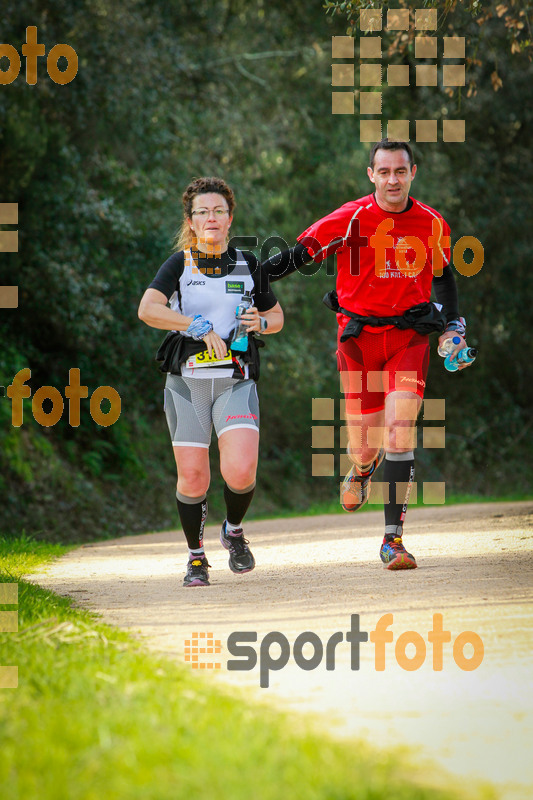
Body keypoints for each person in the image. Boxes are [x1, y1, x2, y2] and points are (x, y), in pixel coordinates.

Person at [262, 139, 471, 570]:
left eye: (401, 171)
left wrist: (453, 325)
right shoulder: (351, 217)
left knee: (399, 430)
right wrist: (249, 274)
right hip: (357, 342)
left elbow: (444, 277)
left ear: (413, 173)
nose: (392, 179)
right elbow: (298, 258)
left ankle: (392, 540)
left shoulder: (431, 223)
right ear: (370, 175)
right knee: (363, 443)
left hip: (408, 340)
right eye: (384, 171)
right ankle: (361, 467)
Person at [138, 177, 283, 587]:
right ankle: (196, 558)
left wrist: (262, 322)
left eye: (218, 210)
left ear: (230, 217)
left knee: (240, 472)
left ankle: (233, 530)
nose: (211, 218)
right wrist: (193, 325)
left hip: (235, 380)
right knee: (194, 477)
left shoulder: (249, 264)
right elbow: (147, 309)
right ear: (191, 220)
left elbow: (277, 319)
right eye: (202, 211)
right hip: (187, 383)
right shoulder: (180, 264)